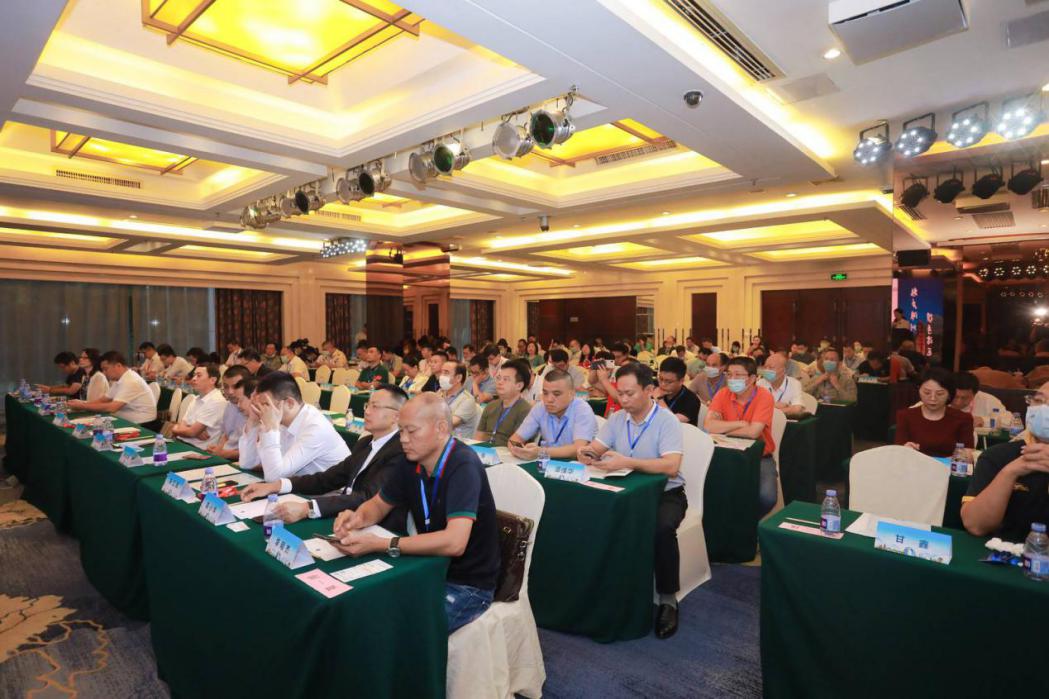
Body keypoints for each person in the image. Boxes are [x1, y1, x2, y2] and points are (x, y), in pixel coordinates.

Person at [332, 393, 500, 633]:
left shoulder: (463, 464)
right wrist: (357, 518)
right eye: (401, 431)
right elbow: (378, 505)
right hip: (426, 567)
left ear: (441, 428)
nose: (403, 439)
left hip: (466, 584)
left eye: (411, 431)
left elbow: (455, 543)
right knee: (363, 607)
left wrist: (382, 544)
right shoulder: (410, 460)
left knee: (399, 632)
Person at [578, 363, 685, 639]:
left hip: (665, 493)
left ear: (649, 390)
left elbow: (671, 466)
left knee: (662, 529)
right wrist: (587, 453)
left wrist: (628, 462)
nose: (622, 399)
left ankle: (668, 599)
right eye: (620, 393)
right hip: (625, 490)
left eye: (629, 393)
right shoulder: (617, 419)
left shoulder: (666, 421)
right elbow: (596, 448)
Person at [241, 385, 409, 529]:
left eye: (375, 407)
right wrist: (276, 486)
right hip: (345, 516)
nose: (367, 411)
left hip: (377, 527)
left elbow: (367, 498)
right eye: (367, 405)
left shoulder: (401, 450)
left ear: (397, 416)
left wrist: (307, 508)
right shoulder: (365, 443)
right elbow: (327, 479)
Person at [961, 383, 1049, 541]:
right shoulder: (998, 455)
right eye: (1038, 400)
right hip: (1005, 551)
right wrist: (1010, 472)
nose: (1043, 409)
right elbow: (975, 525)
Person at [238, 372, 349, 479]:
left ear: (289, 403)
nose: (261, 410)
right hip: (301, 486)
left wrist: (271, 430)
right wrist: (253, 421)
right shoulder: (280, 421)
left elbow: (274, 477)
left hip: (333, 490)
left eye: (266, 404)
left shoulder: (315, 427)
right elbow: (247, 463)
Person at [704, 356, 777, 515]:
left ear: (752, 378)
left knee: (767, 497)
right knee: (714, 491)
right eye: (729, 374)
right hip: (725, 454)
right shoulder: (723, 394)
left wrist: (723, 428)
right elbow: (709, 426)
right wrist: (740, 424)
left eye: (738, 375)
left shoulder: (764, 396)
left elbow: (753, 433)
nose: (732, 379)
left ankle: (749, 522)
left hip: (760, 457)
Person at [508, 368, 597, 461]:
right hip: (548, 462)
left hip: (577, 465)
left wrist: (541, 452)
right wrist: (520, 450)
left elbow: (578, 449)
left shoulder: (582, 409)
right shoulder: (540, 407)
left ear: (572, 394)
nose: (549, 399)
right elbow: (515, 439)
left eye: (556, 394)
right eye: (545, 393)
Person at [895, 367, 974, 457]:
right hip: (914, 464)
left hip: (949, 464)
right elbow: (898, 451)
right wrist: (905, 449)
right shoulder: (905, 416)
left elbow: (967, 453)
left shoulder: (963, 419)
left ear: (949, 394)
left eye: (940, 394)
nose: (933, 398)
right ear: (919, 390)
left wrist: (954, 459)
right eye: (927, 392)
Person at [68, 351, 157, 424]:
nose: (104, 373)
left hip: (143, 424)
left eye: (106, 369)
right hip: (128, 419)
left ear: (118, 366)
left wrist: (83, 406)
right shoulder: (120, 379)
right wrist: (83, 403)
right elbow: (104, 399)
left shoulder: (131, 380)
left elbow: (112, 407)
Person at [474, 360, 532, 446]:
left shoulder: (526, 411)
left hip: (507, 452)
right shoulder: (490, 406)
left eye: (506, 379)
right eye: (498, 378)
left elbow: (517, 445)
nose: (500, 382)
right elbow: (478, 437)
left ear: (519, 385)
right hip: (484, 451)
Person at [171, 364, 228, 450]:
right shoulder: (196, 398)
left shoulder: (217, 401)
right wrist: (191, 430)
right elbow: (183, 425)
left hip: (197, 449)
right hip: (181, 442)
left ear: (212, 380)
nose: (193, 379)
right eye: (194, 375)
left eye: (199, 375)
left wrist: (175, 430)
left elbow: (191, 432)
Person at [205, 366, 251, 460]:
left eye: (235, 387)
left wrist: (226, 454)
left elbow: (256, 451)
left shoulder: (256, 410)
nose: (230, 392)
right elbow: (226, 435)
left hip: (243, 460)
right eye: (226, 387)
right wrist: (218, 450)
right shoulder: (229, 405)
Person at [439, 360, 481, 440]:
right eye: (441, 372)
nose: (441, 376)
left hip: (458, 442)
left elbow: (450, 423)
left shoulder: (467, 400)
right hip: (441, 440)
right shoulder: (439, 394)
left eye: (446, 373)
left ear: (458, 378)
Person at [654, 357, 701, 426]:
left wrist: (659, 399)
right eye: (661, 379)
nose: (662, 384)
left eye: (668, 381)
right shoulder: (653, 387)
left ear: (681, 381)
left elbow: (672, 422)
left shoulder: (692, 400)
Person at [757, 352, 806, 417]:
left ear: (783, 370)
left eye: (771, 368)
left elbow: (797, 409)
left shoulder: (794, 383)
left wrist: (771, 410)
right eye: (765, 367)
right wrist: (776, 405)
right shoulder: (760, 383)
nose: (766, 370)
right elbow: (755, 407)